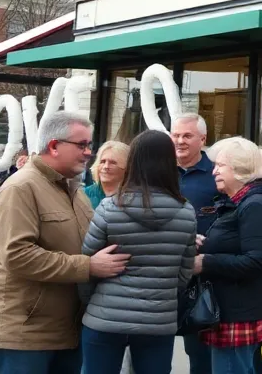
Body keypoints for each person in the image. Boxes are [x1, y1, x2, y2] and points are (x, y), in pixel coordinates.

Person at [0, 111, 131, 374]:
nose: (89, 153)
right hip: (26, 334)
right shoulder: (20, 189)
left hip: (68, 331)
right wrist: (88, 267)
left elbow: (95, 240)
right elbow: (17, 256)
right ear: (53, 146)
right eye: (82, 145)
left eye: (89, 145)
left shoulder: (74, 190)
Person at [81, 129, 197, 374]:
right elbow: (184, 274)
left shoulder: (109, 207)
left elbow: (87, 265)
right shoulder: (186, 212)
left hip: (105, 315)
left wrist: (89, 303)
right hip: (158, 320)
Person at [198, 136, 262, 374]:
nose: (213, 172)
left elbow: (255, 261)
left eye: (220, 166)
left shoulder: (254, 205)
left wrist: (205, 262)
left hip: (239, 312)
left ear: (240, 168)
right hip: (234, 309)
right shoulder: (240, 203)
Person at [173, 113, 222, 374]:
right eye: (176, 135)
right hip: (163, 274)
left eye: (187, 136)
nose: (180, 141)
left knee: (199, 350)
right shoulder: (162, 172)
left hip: (200, 276)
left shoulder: (216, 174)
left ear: (202, 139)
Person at [85, 141, 130, 209]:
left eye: (113, 163)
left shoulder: (134, 198)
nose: (106, 166)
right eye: (102, 162)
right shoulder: (83, 195)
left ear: (127, 168)